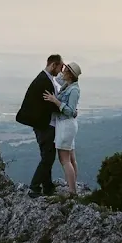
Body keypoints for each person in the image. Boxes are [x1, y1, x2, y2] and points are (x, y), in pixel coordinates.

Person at [15, 54, 73, 197]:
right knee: (48, 158)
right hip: (45, 126)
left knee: (46, 156)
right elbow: (49, 106)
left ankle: (47, 186)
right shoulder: (44, 81)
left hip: (43, 125)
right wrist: (67, 109)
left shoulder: (45, 79)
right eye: (60, 67)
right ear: (53, 65)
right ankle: (34, 188)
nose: (61, 71)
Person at [43, 61, 81, 194]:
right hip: (67, 125)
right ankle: (73, 186)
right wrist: (62, 65)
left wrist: (55, 101)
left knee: (64, 160)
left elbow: (70, 111)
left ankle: (72, 190)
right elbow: (59, 78)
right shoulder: (68, 85)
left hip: (66, 125)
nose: (63, 72)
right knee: (71, 158)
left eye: (66, 70)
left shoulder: (74, 89)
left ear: (70, 75)